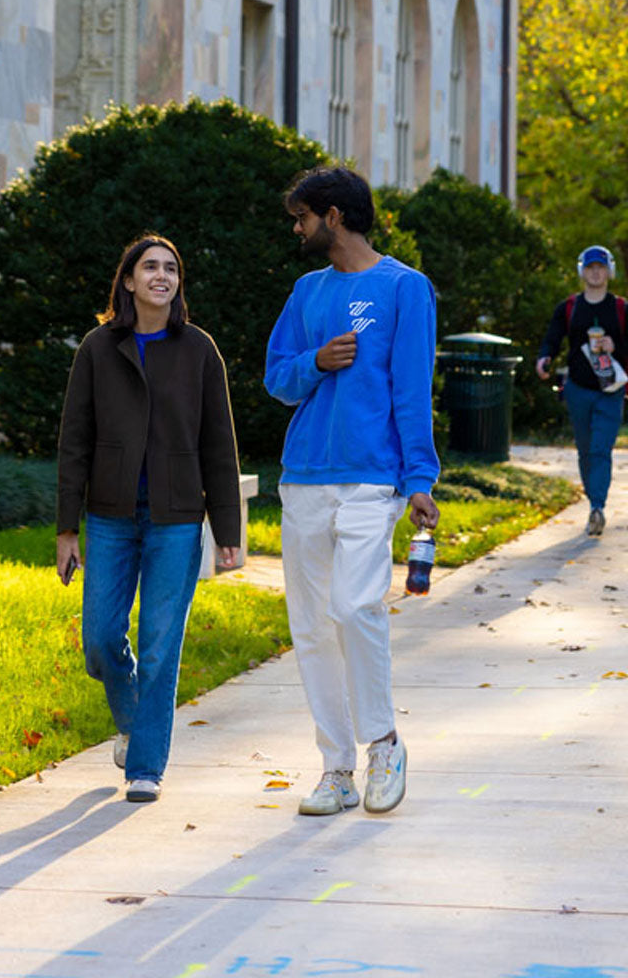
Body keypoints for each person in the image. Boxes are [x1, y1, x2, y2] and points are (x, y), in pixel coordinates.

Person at [264, 165, 440, 817]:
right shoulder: (306, 291)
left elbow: (411, 389)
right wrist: (316, 362)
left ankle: (384, 744)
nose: (297, 228)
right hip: (304, 475)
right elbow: (277, 379)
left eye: (303, 216)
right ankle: (336, 768)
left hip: (373, 478)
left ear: (333, 217)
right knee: (310, 627)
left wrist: (420, 479)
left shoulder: (405, 289)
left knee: (355, 606)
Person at [56, 233, 242, 804]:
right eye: (149, 267)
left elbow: (219, 443)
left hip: (177, 518)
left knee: (162, 644)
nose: (161, 275)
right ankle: (135, 717)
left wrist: (229, 532)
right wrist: (67, 528)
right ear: (129, 281)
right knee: (101, 640)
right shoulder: (97, 347)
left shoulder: (199, 349)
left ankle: (145, 766)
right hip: (111, 516)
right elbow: (74, 440)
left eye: (171, 268)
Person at [536, 245, 628, 538]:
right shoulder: (569, 308)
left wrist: (614, 346)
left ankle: (597, 507)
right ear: (582, 271)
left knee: (600, 449)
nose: (596, 272)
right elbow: (553, 339)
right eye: (591, 267)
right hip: (578, 389)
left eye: (601, 267)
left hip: (612, 390)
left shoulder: (622, 309)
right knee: (585, 451)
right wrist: (544, 359)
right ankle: (593, 500)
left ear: (610, 271)